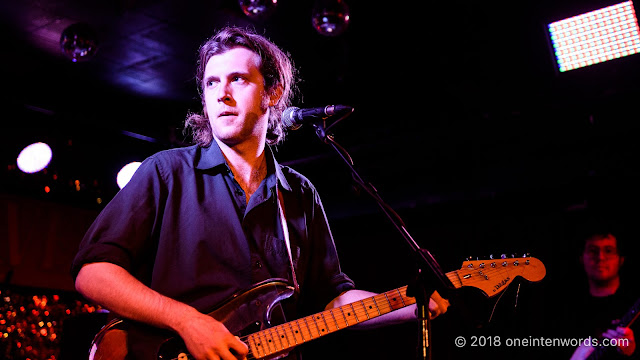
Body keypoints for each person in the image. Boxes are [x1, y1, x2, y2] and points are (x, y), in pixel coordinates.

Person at [71, 26, 450, 360]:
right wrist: (187, 320)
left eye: (237, 79)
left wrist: (407, 305)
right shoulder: (166, 171)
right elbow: (93, 274)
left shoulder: (300, 194)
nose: (221, 94)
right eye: (211, 82)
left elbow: (333, 299)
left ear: (273, 92)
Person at [566, 226, 638, 360]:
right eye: (593, 251)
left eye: (608, 251)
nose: (600, 257)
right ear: (582, 258)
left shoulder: (634, 305)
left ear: (621, 259)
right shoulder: (565, 308)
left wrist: (631, 352)